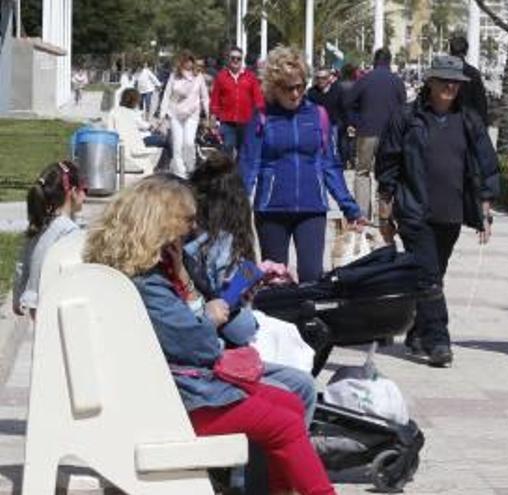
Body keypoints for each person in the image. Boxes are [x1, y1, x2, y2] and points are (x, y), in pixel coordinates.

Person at [83, 175, 336, 495]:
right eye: (186, 220)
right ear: (162, 222)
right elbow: (197, 347)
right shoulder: (149, 284)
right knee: (285, 422)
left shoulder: (142, 272)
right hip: (178, 403)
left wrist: (185, 282)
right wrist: (207, 316)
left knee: (290, 403)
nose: (191, 228)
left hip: (169, 392)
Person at [376, 55, 500, 367]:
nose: (449, 86)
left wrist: (485, 205)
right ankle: (438, 341)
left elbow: (486, 164)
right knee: (430, 276)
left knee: (432, 275)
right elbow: (387, 162)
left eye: (455, 82)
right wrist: (385, 208)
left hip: (452, 212)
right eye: (443, 80)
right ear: (429, 82)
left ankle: (417, 333)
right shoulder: (407, 117)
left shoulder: (469, 120)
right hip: (414, 210)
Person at [240, 46, 365, 283]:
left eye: (300, 86)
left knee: (311, 277)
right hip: (271, 210)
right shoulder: (261, 117)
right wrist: (232, 211)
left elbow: (330, 165)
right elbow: (248, 166)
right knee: (276, 279)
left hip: (312, 208)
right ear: (274, 86)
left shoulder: (318, 115)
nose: (296, 93)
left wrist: (350, 207)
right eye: (289, 88)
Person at [13, 161, 86, 319]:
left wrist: (17, 296)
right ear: (73, 191)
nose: (86, 195)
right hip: (58, 304)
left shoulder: (40, 223)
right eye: (84, 189)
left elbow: (21, 264)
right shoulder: (68, 231)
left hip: (36, 302)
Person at [344, 48, 407, 220]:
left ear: (374, 61)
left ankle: (362, 214)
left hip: (367, 131)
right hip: (391, 135)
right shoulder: (397, 82)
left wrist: (355, 121)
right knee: (387, 174)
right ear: (389, 61)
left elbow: (348, 102)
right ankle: (385, 214)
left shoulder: (365, 80)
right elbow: (404, 109)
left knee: (362, 172)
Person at [160, 50, 210, 178]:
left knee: (188, 142)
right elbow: (166, 95)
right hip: (175, 114)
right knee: (177, 144)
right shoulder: (174, 76)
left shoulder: (198, 77)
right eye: (185, 60)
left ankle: (190, 167)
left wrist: (208, 114)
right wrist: (162, 114)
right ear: (181, 62)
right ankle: (180, 173)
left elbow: (204, 97)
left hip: (192, 115)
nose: (188, 63)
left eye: (190, 60)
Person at [210, 47, 265, 159]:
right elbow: (215, 99)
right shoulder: (221, 77)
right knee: (227, 150)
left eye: (238, 58)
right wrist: (213, 118)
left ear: (242, 60)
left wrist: (261, 115)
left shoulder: (250, 77)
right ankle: (227, 175)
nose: (235, 61)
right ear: (228, 59)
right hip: (227, 121)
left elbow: (258, 98)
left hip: (246, 121)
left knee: (244, 152)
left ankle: (240, 175)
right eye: (233, 58)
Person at [107, 88, 171, 173]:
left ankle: (161, 167)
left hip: (121, 144)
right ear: (135, 101)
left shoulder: (113, 112)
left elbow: (110, 131)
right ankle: (162, 167)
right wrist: (157, 126)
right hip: (137, 143)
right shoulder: (133, 113)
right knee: (167, 141)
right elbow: (147, 127)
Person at [448, 36, 489, 126]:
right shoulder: (473, 73)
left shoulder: (440, 73)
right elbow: (481, 103)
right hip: (468, 124)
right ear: (466, 51)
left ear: (450, 51)